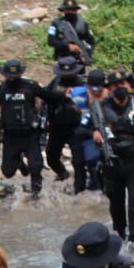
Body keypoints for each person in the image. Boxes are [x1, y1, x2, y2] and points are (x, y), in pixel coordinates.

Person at [93, 68, 134, 252]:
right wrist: (94, 133)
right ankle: (120, 237)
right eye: (115, 85)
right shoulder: (101, 108)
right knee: (116, 205)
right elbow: (84, 128)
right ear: (110, 88)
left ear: (128, 85)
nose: (120, 88)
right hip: (112, 163)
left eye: (123, 84)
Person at [0, 59, 67, 199]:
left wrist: (64, 93)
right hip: (10, 136)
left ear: (20, 75)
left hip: (30, 135)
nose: (12, 79)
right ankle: (20, 162)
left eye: (14, 77)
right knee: (7, 172)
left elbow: (50, 97)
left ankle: (35, 196)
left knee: (36, 166)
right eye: (9, 76)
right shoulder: (1, 89)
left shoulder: (31, 86)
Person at [44, 57, 88, 194]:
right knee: (51, 156)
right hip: (56, 126)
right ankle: (62, 173)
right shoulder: (56, 81)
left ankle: (79, 189)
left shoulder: (81, 84)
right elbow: (46, 96)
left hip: (75, 128)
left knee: (78, 161)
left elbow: (88, 105)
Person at [47, 0, 96, 64]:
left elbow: (91, 42)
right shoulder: (56, 23)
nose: (70, 11)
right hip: (63, 59)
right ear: (64, 10)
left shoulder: (83, 23)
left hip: (79, 60)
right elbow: (51, 41)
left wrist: (87, 54)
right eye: (68, 9)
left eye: (72, 9)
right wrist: (68, 46)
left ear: (76, 10)